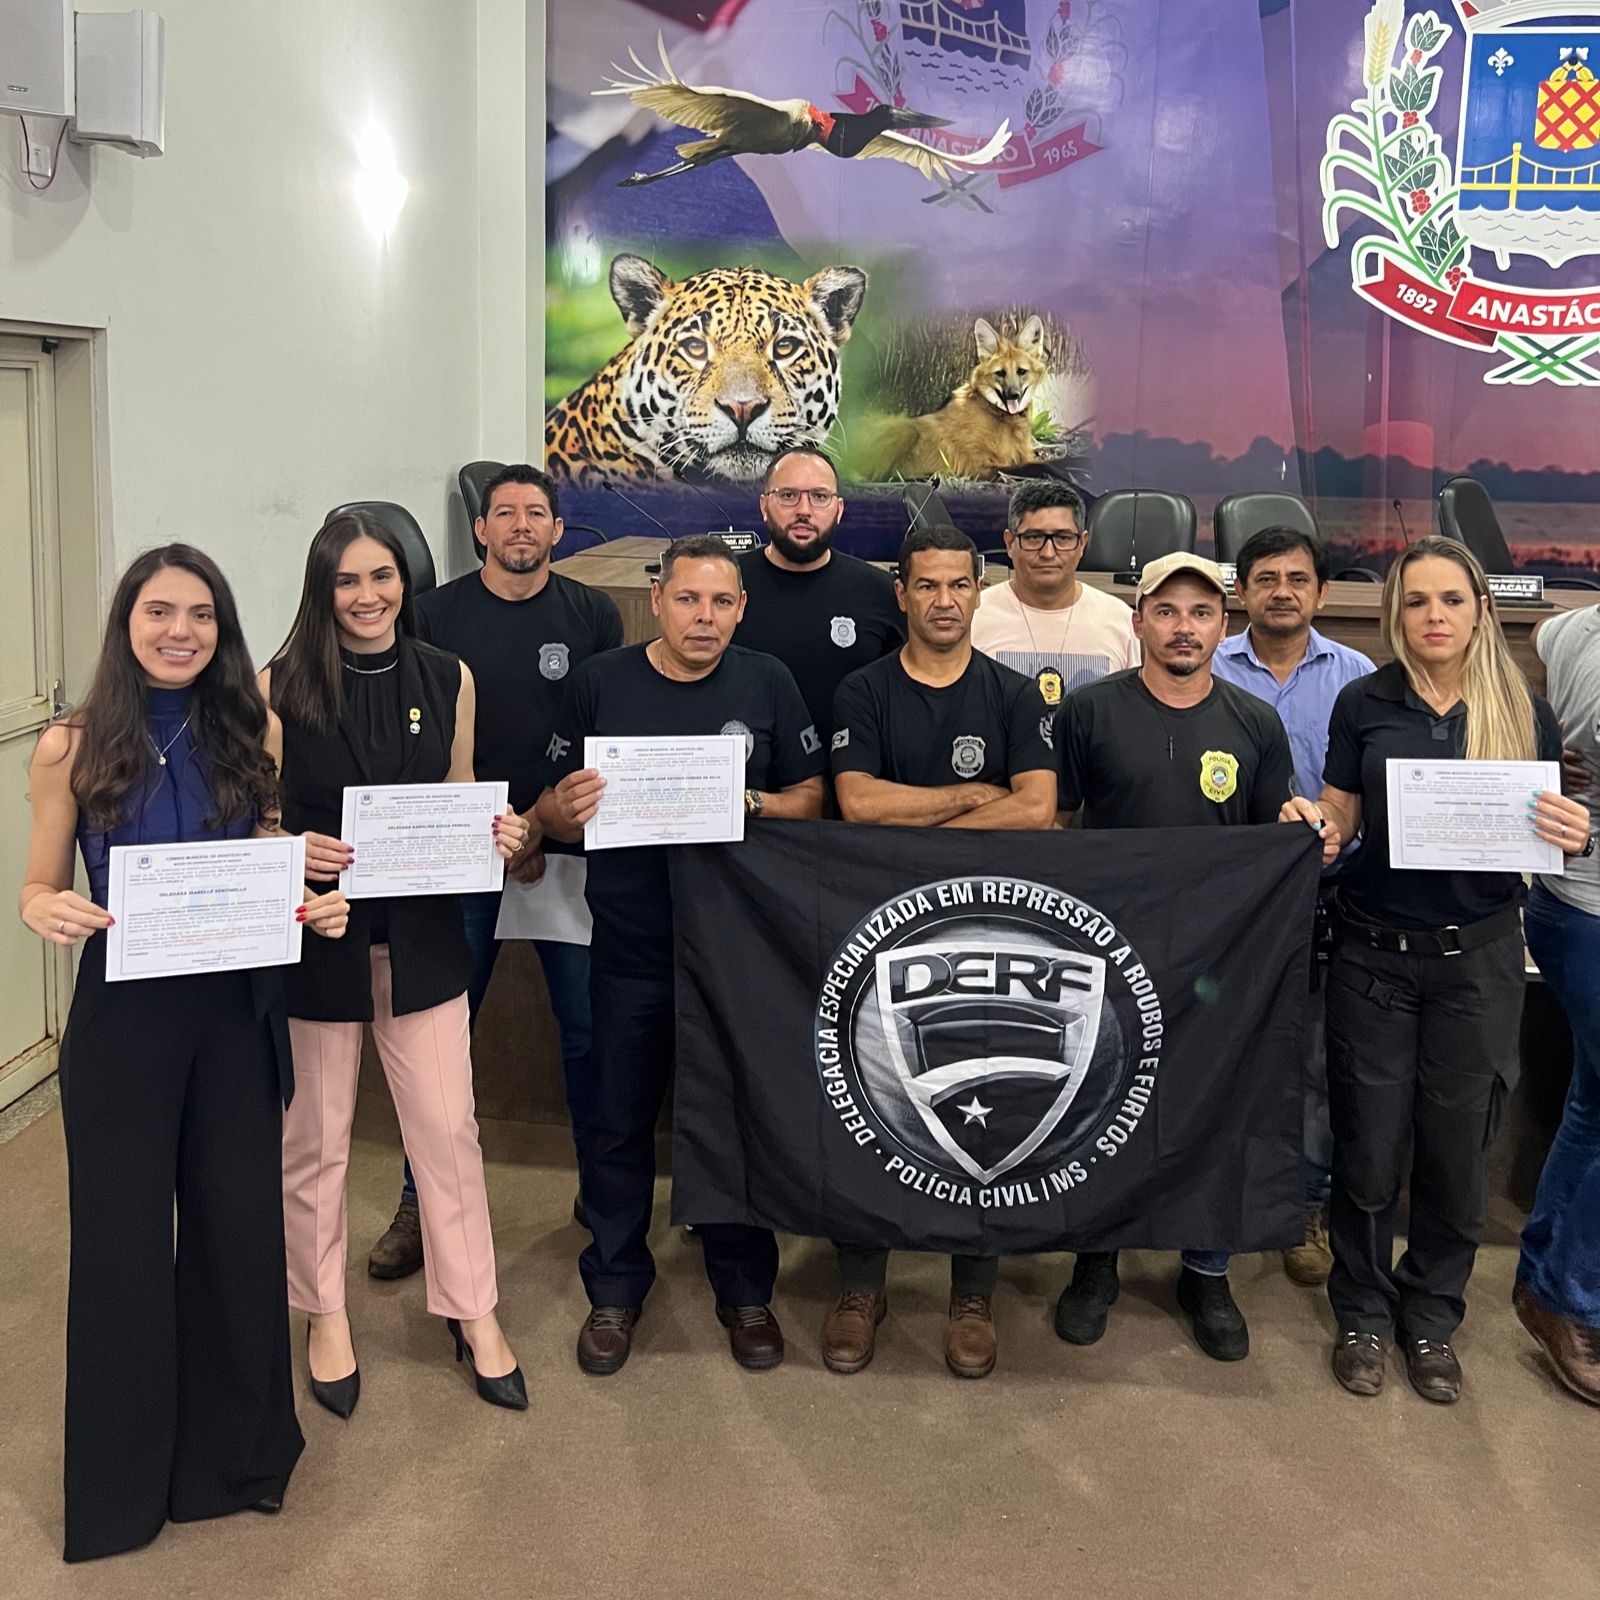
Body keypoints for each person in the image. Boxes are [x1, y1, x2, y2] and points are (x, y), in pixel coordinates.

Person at [19, 545, 348, 1563]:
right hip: (124, 1017)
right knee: (120, 1248)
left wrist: (310, 902)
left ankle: (230, 1464)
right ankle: (118, 1494)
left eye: (201, 614)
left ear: (222, 629)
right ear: (127, 622)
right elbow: (36, 882)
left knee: (235, 1231)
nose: (181, 631)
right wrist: (43, 908)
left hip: (234, 1011)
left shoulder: (255, 728)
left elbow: (263, 852)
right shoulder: (70, 744)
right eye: (159, 611)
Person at [1281, 536, 1589, 1404]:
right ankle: (1362, 1313)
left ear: (1481, 610)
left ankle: (1430, 1317)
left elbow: (1550, 821)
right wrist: (1320, 827)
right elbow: (1341, 812)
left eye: (1451, 599)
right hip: (1374, 956)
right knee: (1369, 1149)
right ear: (1395, 614)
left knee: (1457, 1155)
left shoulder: (1522, 709)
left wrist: (1575, 832)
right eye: (1416, 601)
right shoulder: (1364, 702)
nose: (1434, 616)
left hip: (1478, 963)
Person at [536, 534, 825, 1375]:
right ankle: (615, 1285)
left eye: (722, 602)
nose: (705, 617)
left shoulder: (767, 681)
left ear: (742, 609)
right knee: (617, 1121)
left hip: (738, 952)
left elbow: (812, 797)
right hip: (629, 948)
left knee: (734, 1119)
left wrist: (746, 800)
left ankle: (745, 1289)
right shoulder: (601, 682)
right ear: (657, 601)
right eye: (689, 599)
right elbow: (548, 812)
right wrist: (561, 810)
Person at [265, 511, 530, 1416]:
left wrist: (493, 830)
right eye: (347, 580)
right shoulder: (276, 687)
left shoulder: (448, 676)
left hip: (422, 937)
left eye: (381, 576)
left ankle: (473, 1309)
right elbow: (255, 822)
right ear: (321, 588)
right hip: (321, 938)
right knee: (316, 1140)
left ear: (404, 581)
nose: (367, 596)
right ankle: (323, 1311)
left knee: (448, 1132)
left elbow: (458, 790)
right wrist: (290, 849)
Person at [1053, 551, 1321, 1364]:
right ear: (1138, 622)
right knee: (1101, 1104)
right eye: (1166, 611)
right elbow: (1058, 827)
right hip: (1110, 948)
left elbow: (1270, 834)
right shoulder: (1090, 711)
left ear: (1222, 626)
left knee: (1217, 1104)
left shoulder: (1254, 721)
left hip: (1217, 955)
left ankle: (1206, 1272)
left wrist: (1302, 827)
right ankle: (1095, 1260)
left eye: (1201, 613)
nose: (1183, 628)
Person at [366, 463, 623, 1277]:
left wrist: (540, 823)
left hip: (565, 849)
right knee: (439, 1038)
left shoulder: (592, 614)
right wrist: (496, 830)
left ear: (557, 530)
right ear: (480, 529)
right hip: (461, 853)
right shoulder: (433, 615)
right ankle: (419, 1202)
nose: (519, 526)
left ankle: (604, 1194)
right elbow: (416, 734)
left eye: (535, 513)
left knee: (588, 1035)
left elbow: (602, 731)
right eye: (503, 513)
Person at [826, 523, 1057, 1380]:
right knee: (870, 1095)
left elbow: (1036, 809)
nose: (945, 601)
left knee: (981, 1100)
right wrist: (967, 796)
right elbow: (857, 803)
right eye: (927, 585)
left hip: (983, 931)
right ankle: (861, 1285)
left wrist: (918, 813)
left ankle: (973, 1293)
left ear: (978, 590)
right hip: (875, 928)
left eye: (959, 584)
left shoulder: (1013, 694)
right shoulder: (863, 691)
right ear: (902, 593)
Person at [1212, 527, 1373, 1287]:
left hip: (1327, 895)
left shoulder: (1358, 677)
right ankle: (1209, 1198)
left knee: (1314, 1060)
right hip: (1226, 903)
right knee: (1216, 1051)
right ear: (1240, 590)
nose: (1282, 591)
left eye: (1298, 578)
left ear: (1323, 592)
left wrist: (1337, 836)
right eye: (1266, 578)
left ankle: (1308, 1203)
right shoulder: (1204, 664)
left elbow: (1372, 788)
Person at [1515, 603, 1600, 1404]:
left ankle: (1546, 1279)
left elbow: (1541, 637)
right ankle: (1571, 1298)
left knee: (1592, 1104)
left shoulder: (1569, 627)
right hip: (1589, 910)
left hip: (1569, 901)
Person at [731, 444, 903, 748]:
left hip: (850, 769)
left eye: (819, 496)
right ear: (764, 506)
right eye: (788, 495)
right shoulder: (726, 588)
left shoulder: (880, 592)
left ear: (839, 510)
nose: (803, 510)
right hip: (748, 767)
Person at [971, 480, 1138, 712]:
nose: (1048, 553)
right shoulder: (974, 617)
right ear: (1010, 543)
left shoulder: (1121, 621)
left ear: (1082, 544)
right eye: (1033, 538)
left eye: (1063, 538)